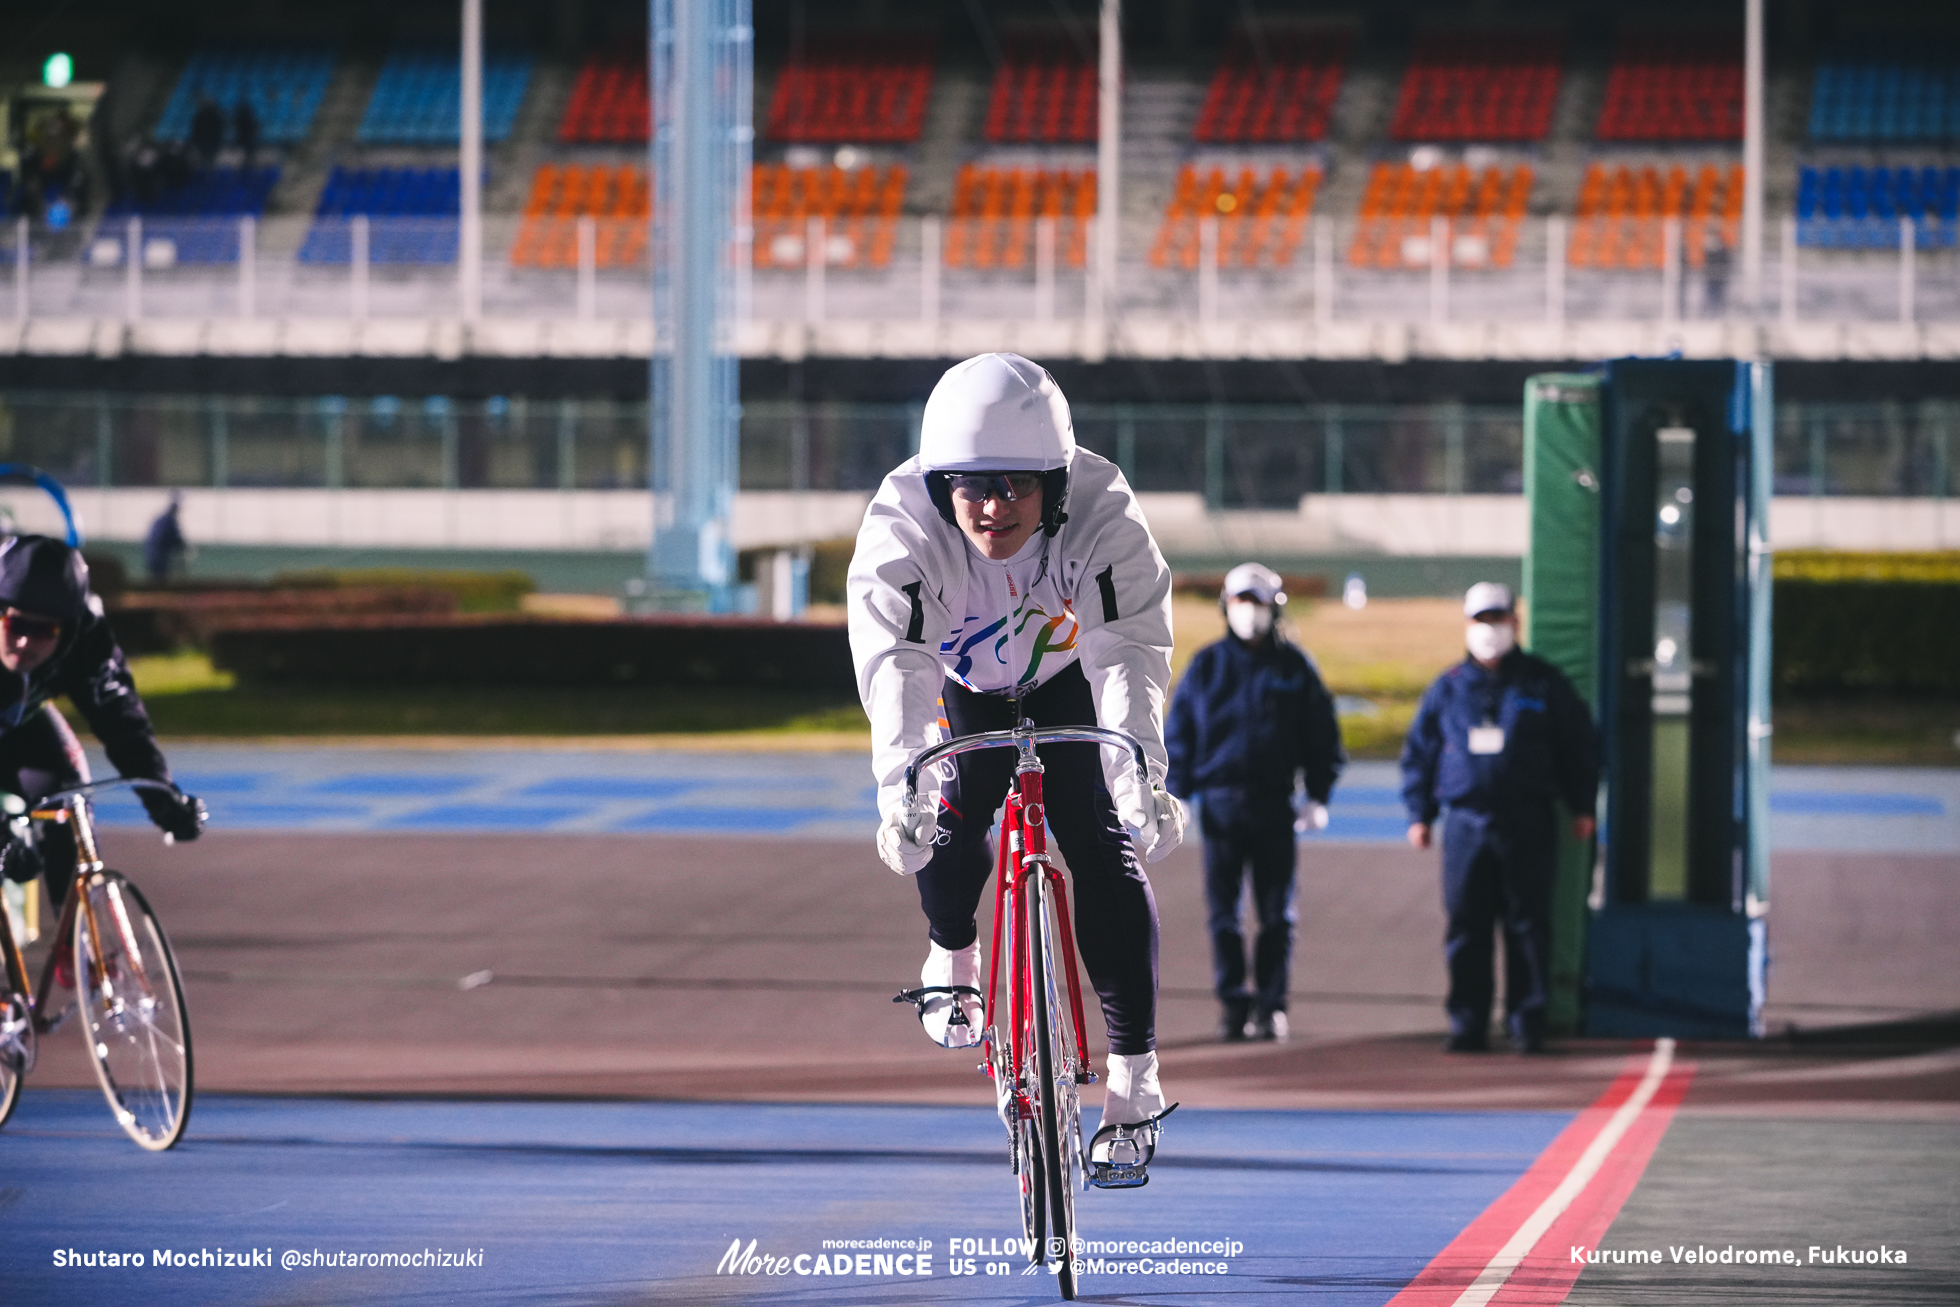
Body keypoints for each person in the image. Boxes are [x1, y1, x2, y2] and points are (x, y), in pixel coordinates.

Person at [849, 352, 1185, 1185]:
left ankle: (1135, 1082)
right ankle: (953, 954)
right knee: (946, 818)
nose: (993, 508)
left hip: (1072, 679)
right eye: (972, 487)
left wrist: (1140, 767)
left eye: (1015, 486)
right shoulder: (902, 526)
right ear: (939, 486)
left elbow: (1127, 651)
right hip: (963, 688)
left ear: (1057, 485)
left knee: (1103, 842)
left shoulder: (1104, 511)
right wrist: (902, 784)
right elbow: (897, 661)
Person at [1400, 583, 1597, 1053]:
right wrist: (1420, 813)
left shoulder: (1543, 684)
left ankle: (1528, 1022)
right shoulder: (1446, 688)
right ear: (1467, 626)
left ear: (1515, 623)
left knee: (1528, 925)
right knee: (1467, 925)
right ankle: (1467, 1023)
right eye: (1481, 621)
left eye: (1498, 620)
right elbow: (1420, 754)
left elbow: (1579, 746)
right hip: (1466, 824)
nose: (1490, 630)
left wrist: (1582, 804)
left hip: (1527, 820)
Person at [1166, 562, 1344, 1044]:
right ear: (1228, 606)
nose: (1250, 611)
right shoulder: (1205, 666)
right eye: (1242, 601)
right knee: (1223, 915)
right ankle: (1232, 1005)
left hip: (1274, 805)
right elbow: (1179, 733)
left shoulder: (1295, 667)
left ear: (1274, 608)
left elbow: (1322, 734)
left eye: (1259, 602)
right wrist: (1177, 790)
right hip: (1221, 805)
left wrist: (1319, 793)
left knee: (1276, 916)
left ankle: (1271, 1006)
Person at [0, 536, 205, 919]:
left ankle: (79, 939)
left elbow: (123, 724)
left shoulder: (88, 641)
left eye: (44, 631)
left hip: (23, 726)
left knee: (72, 796)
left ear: (70, 628)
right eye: (15, 624)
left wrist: (165, 801)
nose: (26, 641)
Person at [143, 493, 188, 584]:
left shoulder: (162, 519)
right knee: (160, 581)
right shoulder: (169, 521)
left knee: (154, 579)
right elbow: (175, 537)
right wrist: (184, 547)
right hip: (159, 556)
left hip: (152, 555)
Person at [190, 96, 225, 170]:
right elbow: (195, 130)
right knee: (203, 160)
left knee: (210, 161)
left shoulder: (216, 116)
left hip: (212, 142)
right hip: (203, 142)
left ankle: (209, 175)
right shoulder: (199, 116)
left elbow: (219, 129)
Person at [233, 97, 262, 176]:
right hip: (247, 141)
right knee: (247, 156)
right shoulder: (247, 119)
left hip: (246, 141)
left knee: (247, 156)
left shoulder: (243, 119)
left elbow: (256, 129)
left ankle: (247, 172)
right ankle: (247, 172)